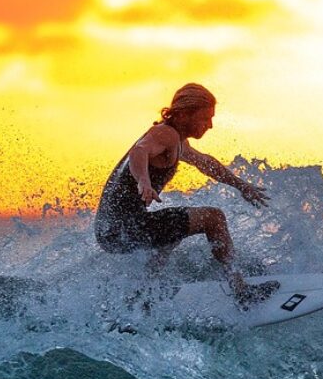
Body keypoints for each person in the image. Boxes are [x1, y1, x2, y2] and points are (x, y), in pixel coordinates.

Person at [94, 83, 279, 306]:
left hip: (111, 231)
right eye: (204, 118)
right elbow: (139, 151)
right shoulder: (165, 134)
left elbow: (206, 163)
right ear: (183, 115)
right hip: (123, 228)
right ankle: (240, 291)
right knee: (213, 218)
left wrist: (241, 186)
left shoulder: (177, 141)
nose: (209, 125)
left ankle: (141, 297)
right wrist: (143, 180)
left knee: (174, 231)